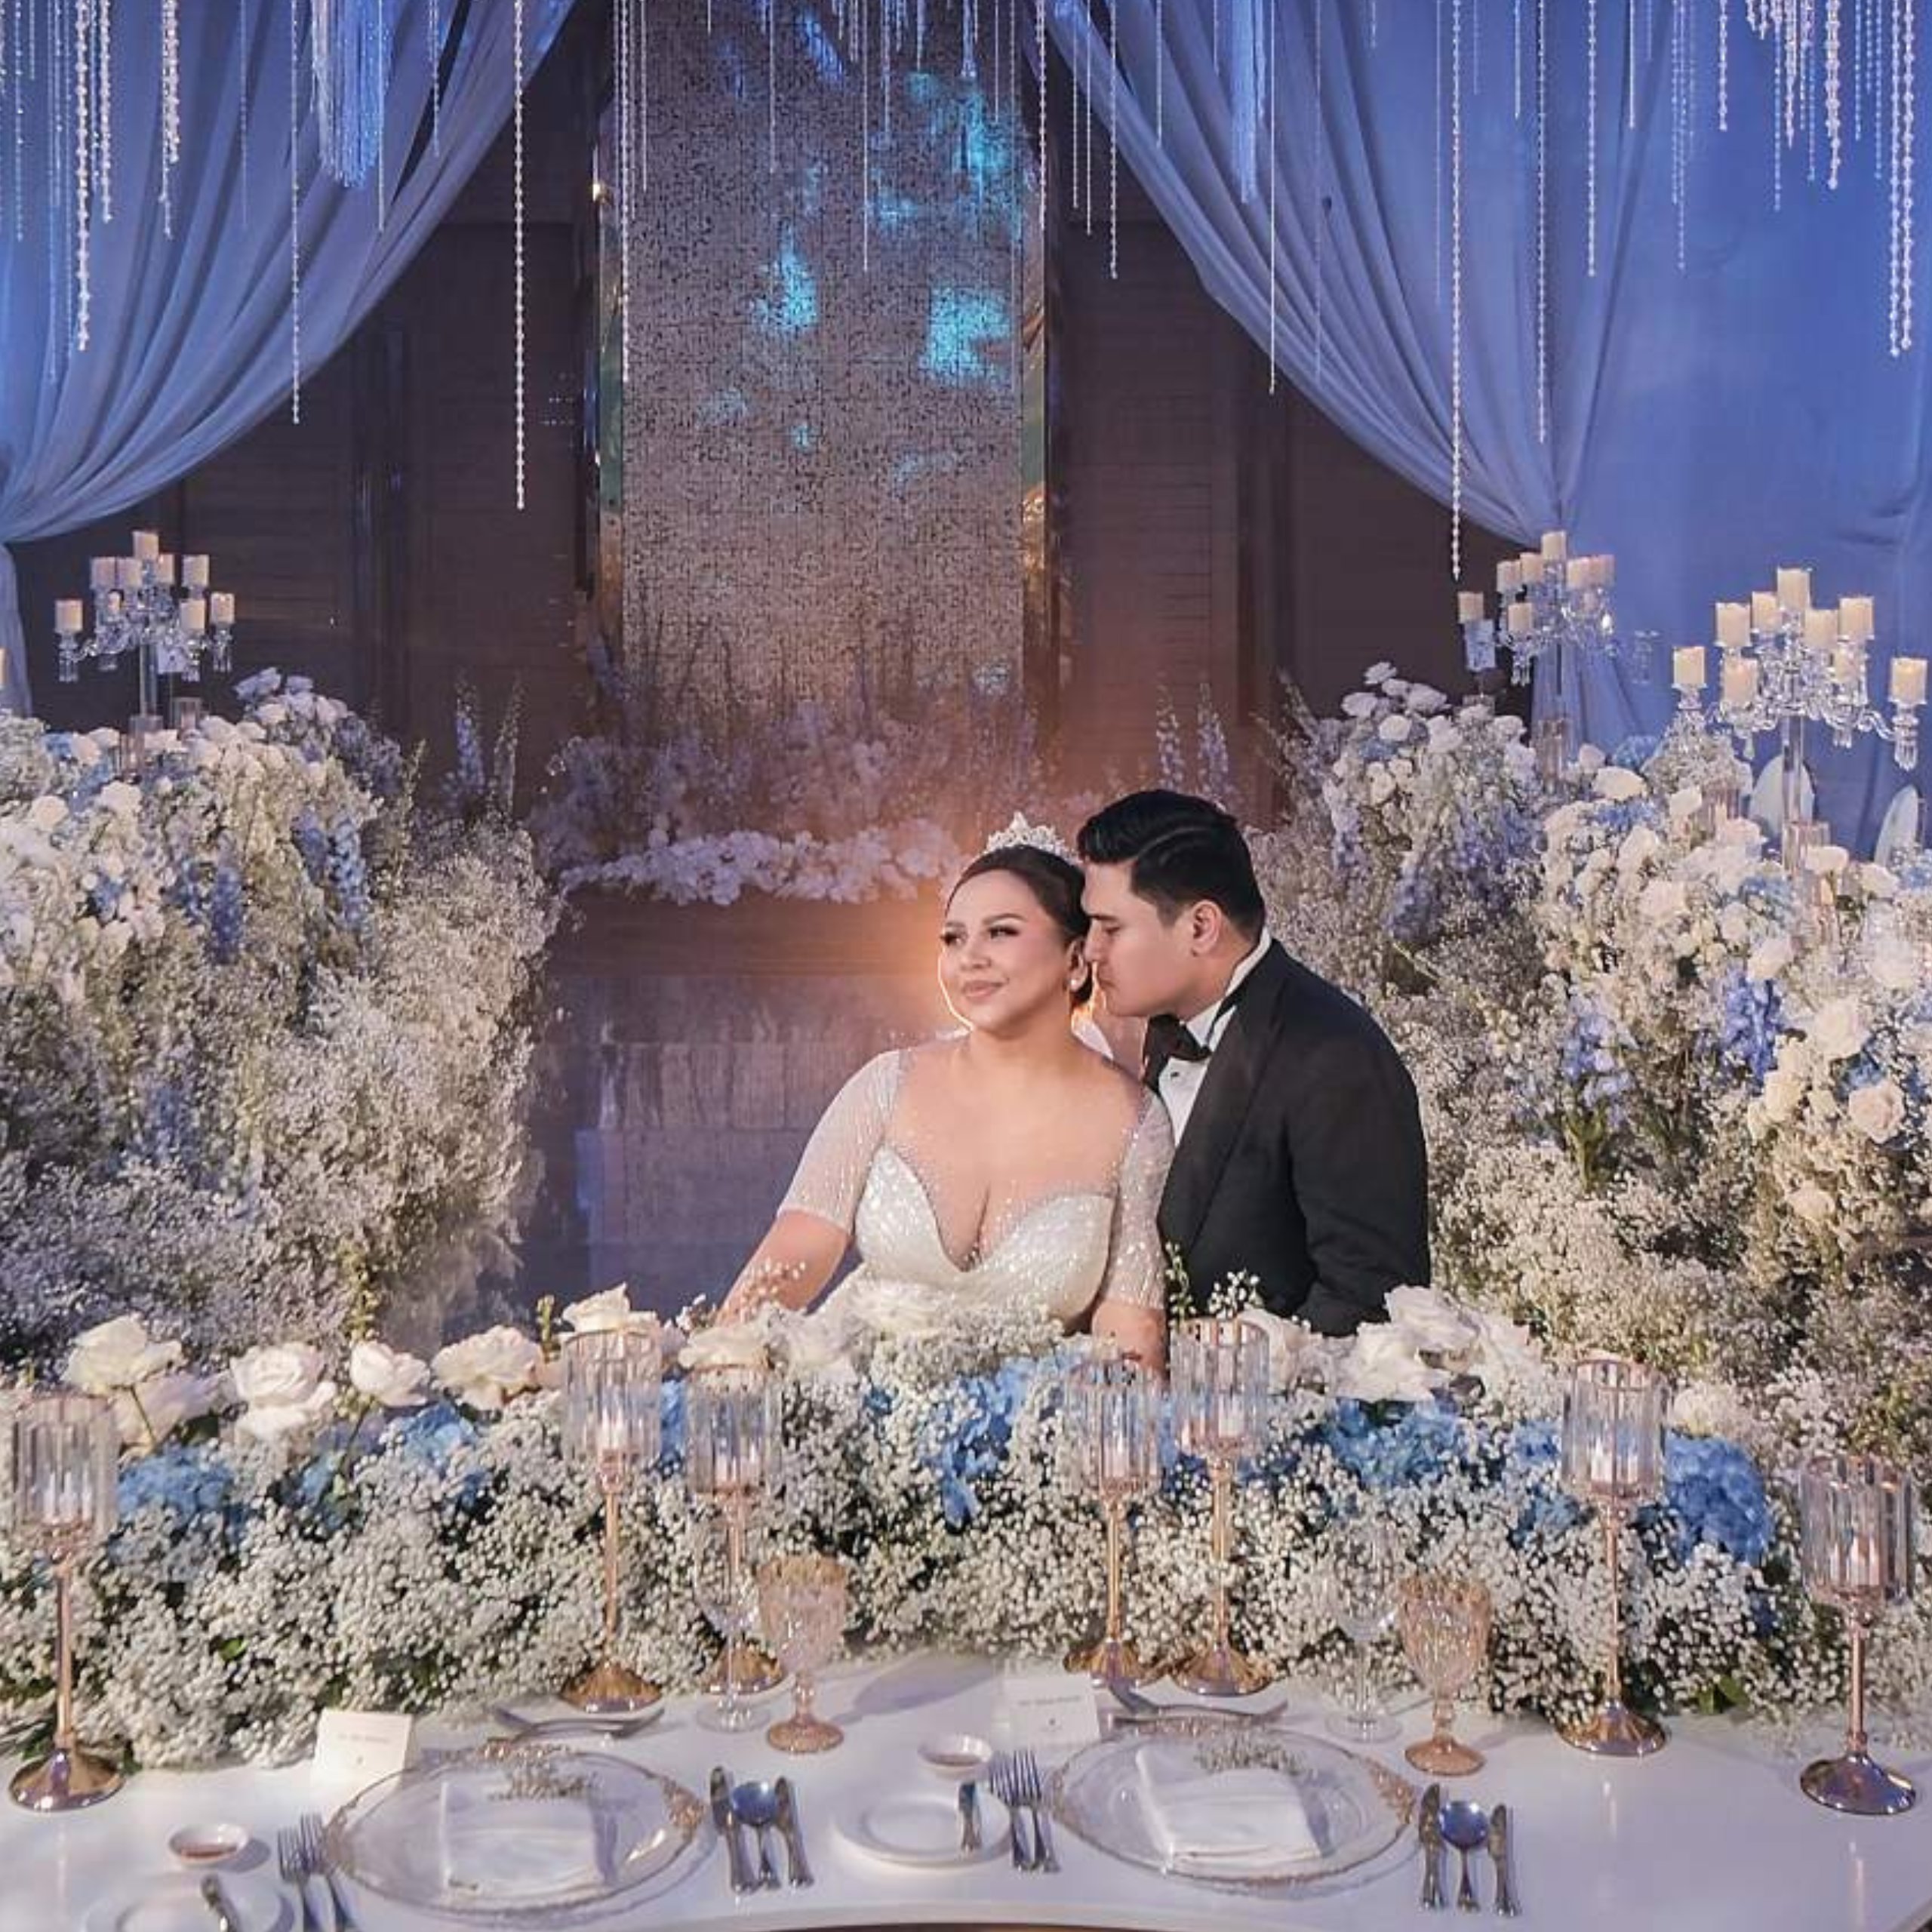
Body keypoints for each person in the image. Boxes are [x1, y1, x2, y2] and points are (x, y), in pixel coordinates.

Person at [718, 827, 1171, 1367]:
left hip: (1040, 1413)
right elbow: (799, 1246)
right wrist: (726, 1359)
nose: (969, 957)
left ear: (1075, 961)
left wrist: (1122, 1407)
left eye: (1000, 932)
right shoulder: (885, 1086)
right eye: (953, 939)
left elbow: (1130, 1324)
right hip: (862, 1401)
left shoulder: (1133, 1120)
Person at [1078, 789, 1428, 1334]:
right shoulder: (1166, 1024)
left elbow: (1371, 1297)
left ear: (1201, 927)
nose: (1091, 950)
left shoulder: (1335, 1056)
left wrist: (1232, 1365)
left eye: (1111, 928)